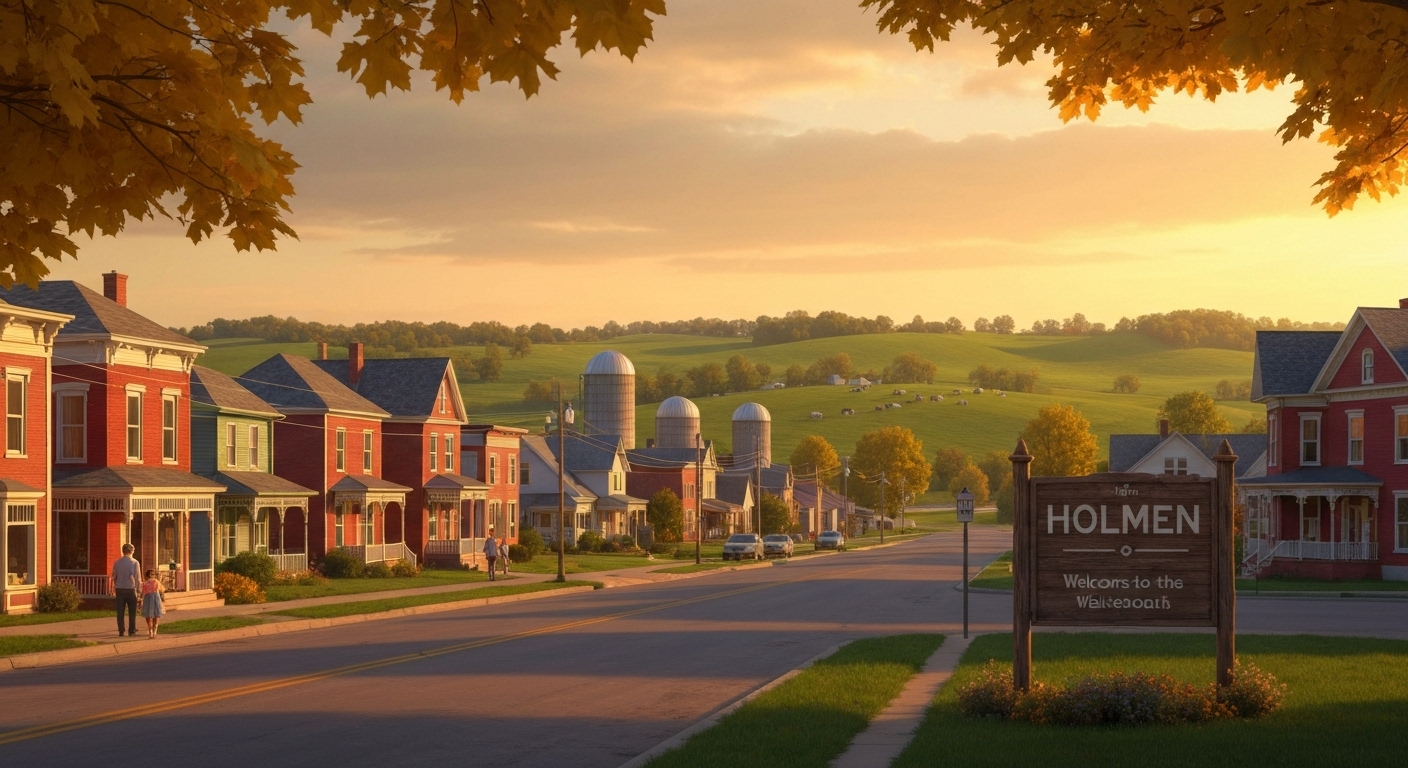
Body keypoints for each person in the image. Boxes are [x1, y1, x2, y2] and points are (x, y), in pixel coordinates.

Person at [110, 543, 141, 637]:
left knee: (120, 611)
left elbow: (114, 576)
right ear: (131, 551)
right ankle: (131, 630)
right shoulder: (134, 562)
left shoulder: (117, 562)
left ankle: (121, 630)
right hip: (130, 588)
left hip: (120, 589)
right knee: (132, 611)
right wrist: (139, 591)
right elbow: (137, 577)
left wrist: (116, 586)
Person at [140, 569, 165, 638]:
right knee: (155, 615)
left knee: (150, 615)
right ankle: (153, 631)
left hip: (150, 599)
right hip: (154, 599)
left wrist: (140, 598)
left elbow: (143, 592)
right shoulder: (155, 582)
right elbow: (162, 589)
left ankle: (151, 631)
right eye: (152, 574)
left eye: (153, 574)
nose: (153, 576)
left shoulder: (146, 583)